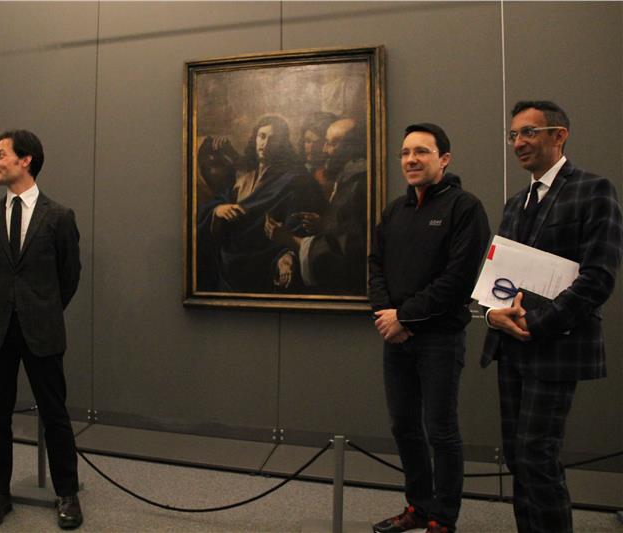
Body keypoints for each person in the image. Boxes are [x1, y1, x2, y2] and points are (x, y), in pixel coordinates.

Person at [481, 101, 623, 533]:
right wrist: (492, 316)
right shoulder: (514, 204)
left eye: (529, 132)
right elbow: (495, 283)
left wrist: (537, 324)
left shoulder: (593, 190)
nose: (518, 143)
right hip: (511, 347)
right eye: (513, 135)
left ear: (559, 135)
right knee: (517, 456)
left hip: (556, 346)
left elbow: (598, 278)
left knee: (536, 456)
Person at [369, 123, 490, 533]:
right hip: (395, 338)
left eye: (421, 151)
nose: (411, 159)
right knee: (404, 427)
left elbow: (458, 280)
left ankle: (443, 517)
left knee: (441, 430)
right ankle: (418, 507)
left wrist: (403, 317)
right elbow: (375, 266)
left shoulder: (465, 208)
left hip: (439, 338)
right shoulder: (394, 211)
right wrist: (387, 315)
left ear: (444, 159)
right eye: (405, 153)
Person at [0, 130, 83, 530]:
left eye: (0, 154)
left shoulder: (60, 216)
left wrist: (42, 309)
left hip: (43, 331)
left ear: (26, 160)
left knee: (55, 415)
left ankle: (66, 493)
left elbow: (69, 277)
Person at [197, 115, 325, 292]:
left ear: (283, 143)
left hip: (263, 263)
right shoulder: (244, 176)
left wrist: (287, 256)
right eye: (262, 136)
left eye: (274, 139)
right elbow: (219, 203)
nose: (265, 143)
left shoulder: (294, 181)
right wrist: (218, 210)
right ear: (255, 138)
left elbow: (296, 228)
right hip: (227, 263)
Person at [266, 117, 368, 293]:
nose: (324, 150)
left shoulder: (358, 184)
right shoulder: (346, 180)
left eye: (332, 144)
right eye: (326, 142)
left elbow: (348, 250)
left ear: (353, 147)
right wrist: (323, 226)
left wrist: (291, 240)